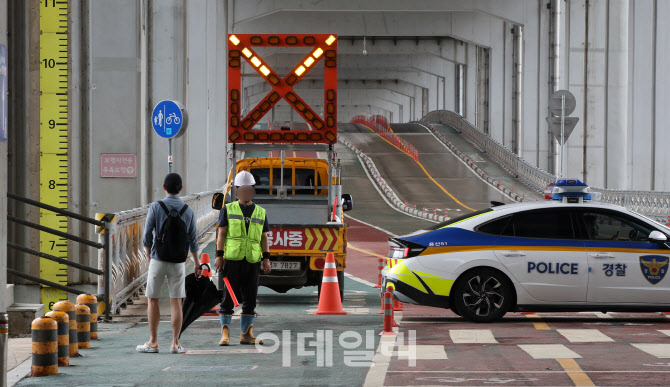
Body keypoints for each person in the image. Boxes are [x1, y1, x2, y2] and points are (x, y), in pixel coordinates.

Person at [137, 173, 201, 354]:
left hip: (158, 259)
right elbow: (193, 240)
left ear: (164, 187)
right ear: (180, 189)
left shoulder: (156, 207)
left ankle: (153, 342)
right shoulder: (188, 210)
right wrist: (196, 263)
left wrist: (150, 255)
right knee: (176, 302)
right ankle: (175, 343)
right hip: (178, 262)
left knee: (153, 300)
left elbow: (147, 234)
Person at [214, 170, 271, 346]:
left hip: (252, 261)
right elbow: (221, 234)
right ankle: (225, 335)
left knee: (250, 298)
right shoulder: (228, 209)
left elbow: (263, 237)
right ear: (237, 190)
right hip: (232, 260)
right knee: (228, 298)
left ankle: (246, 334)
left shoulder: (261, 212)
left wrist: (266, 258)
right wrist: (219, 256)